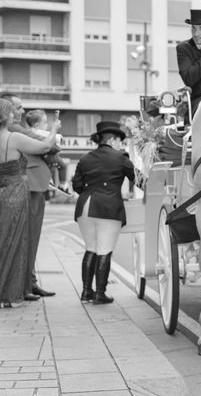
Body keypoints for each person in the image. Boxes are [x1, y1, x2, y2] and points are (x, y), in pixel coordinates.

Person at [0, 99, 58, 308]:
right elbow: (45, 146)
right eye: (12, 113)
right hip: (15, 194)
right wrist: (53, 129)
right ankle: (9, 294)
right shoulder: (13, 137)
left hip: (2, 191)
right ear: (6, 116)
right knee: (15, 243)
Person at [71, 121, 135, 304]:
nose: (120, 145)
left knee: (90, 248)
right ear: (113, 140)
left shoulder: (85, 158)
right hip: (108, 206)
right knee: (105, 250)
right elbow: (137, 178)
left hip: (84, 206)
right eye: (119, 141)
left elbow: (77, 185)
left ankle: (86, 292)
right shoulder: (121, 157)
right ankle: (100, 293)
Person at [25, 109, 69, 192]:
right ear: (37, 125)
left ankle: (50, 180)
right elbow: (52, 144)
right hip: (47, 154)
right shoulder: (40, 133)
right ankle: (63, 185)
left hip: (40, 156)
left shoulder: (28, 132)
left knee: (51, 165)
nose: (47, 124)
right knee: (62, 166)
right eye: (45, 122)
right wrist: (57, 145)